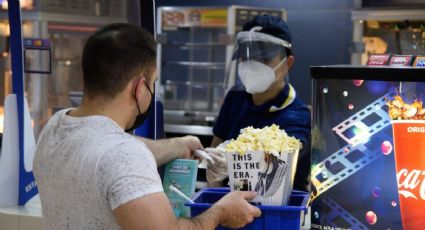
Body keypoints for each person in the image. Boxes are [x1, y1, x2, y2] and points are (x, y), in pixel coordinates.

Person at [33, 23, 261, 229]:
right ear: (140, 87)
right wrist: (220, 212)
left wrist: (178, 145)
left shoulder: (55, 126)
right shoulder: (123, 154)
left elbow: (107, 151)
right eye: (153, 83)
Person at [206, 15, 311, 192]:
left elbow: (272, 177)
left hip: (276, 212)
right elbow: (214, 161)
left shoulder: (296, 117)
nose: (252, 66)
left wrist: (233, 162)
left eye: (264, 59)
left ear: (288, 63)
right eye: (247, 57)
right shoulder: (235, 98)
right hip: (228, 207)